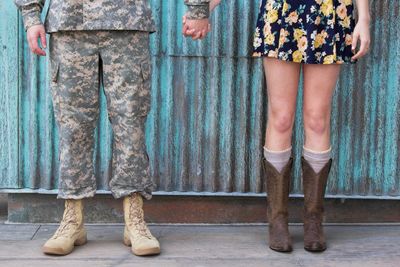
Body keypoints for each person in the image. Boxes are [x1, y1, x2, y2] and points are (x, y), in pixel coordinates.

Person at [183, 0, 371, 252]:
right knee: (281, 116)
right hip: (280, 12)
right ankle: (278, 220)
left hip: (330, 13)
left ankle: (313, 219)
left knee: (317, 117)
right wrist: (204, 9)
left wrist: (364, 19)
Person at [14, 0, 161, 256]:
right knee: (73, 128)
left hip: (127, 22)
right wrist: (31, 16)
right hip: (70, 24)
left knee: (131, 125)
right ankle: (73, 220)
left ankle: (134, 220)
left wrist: (197, 9)